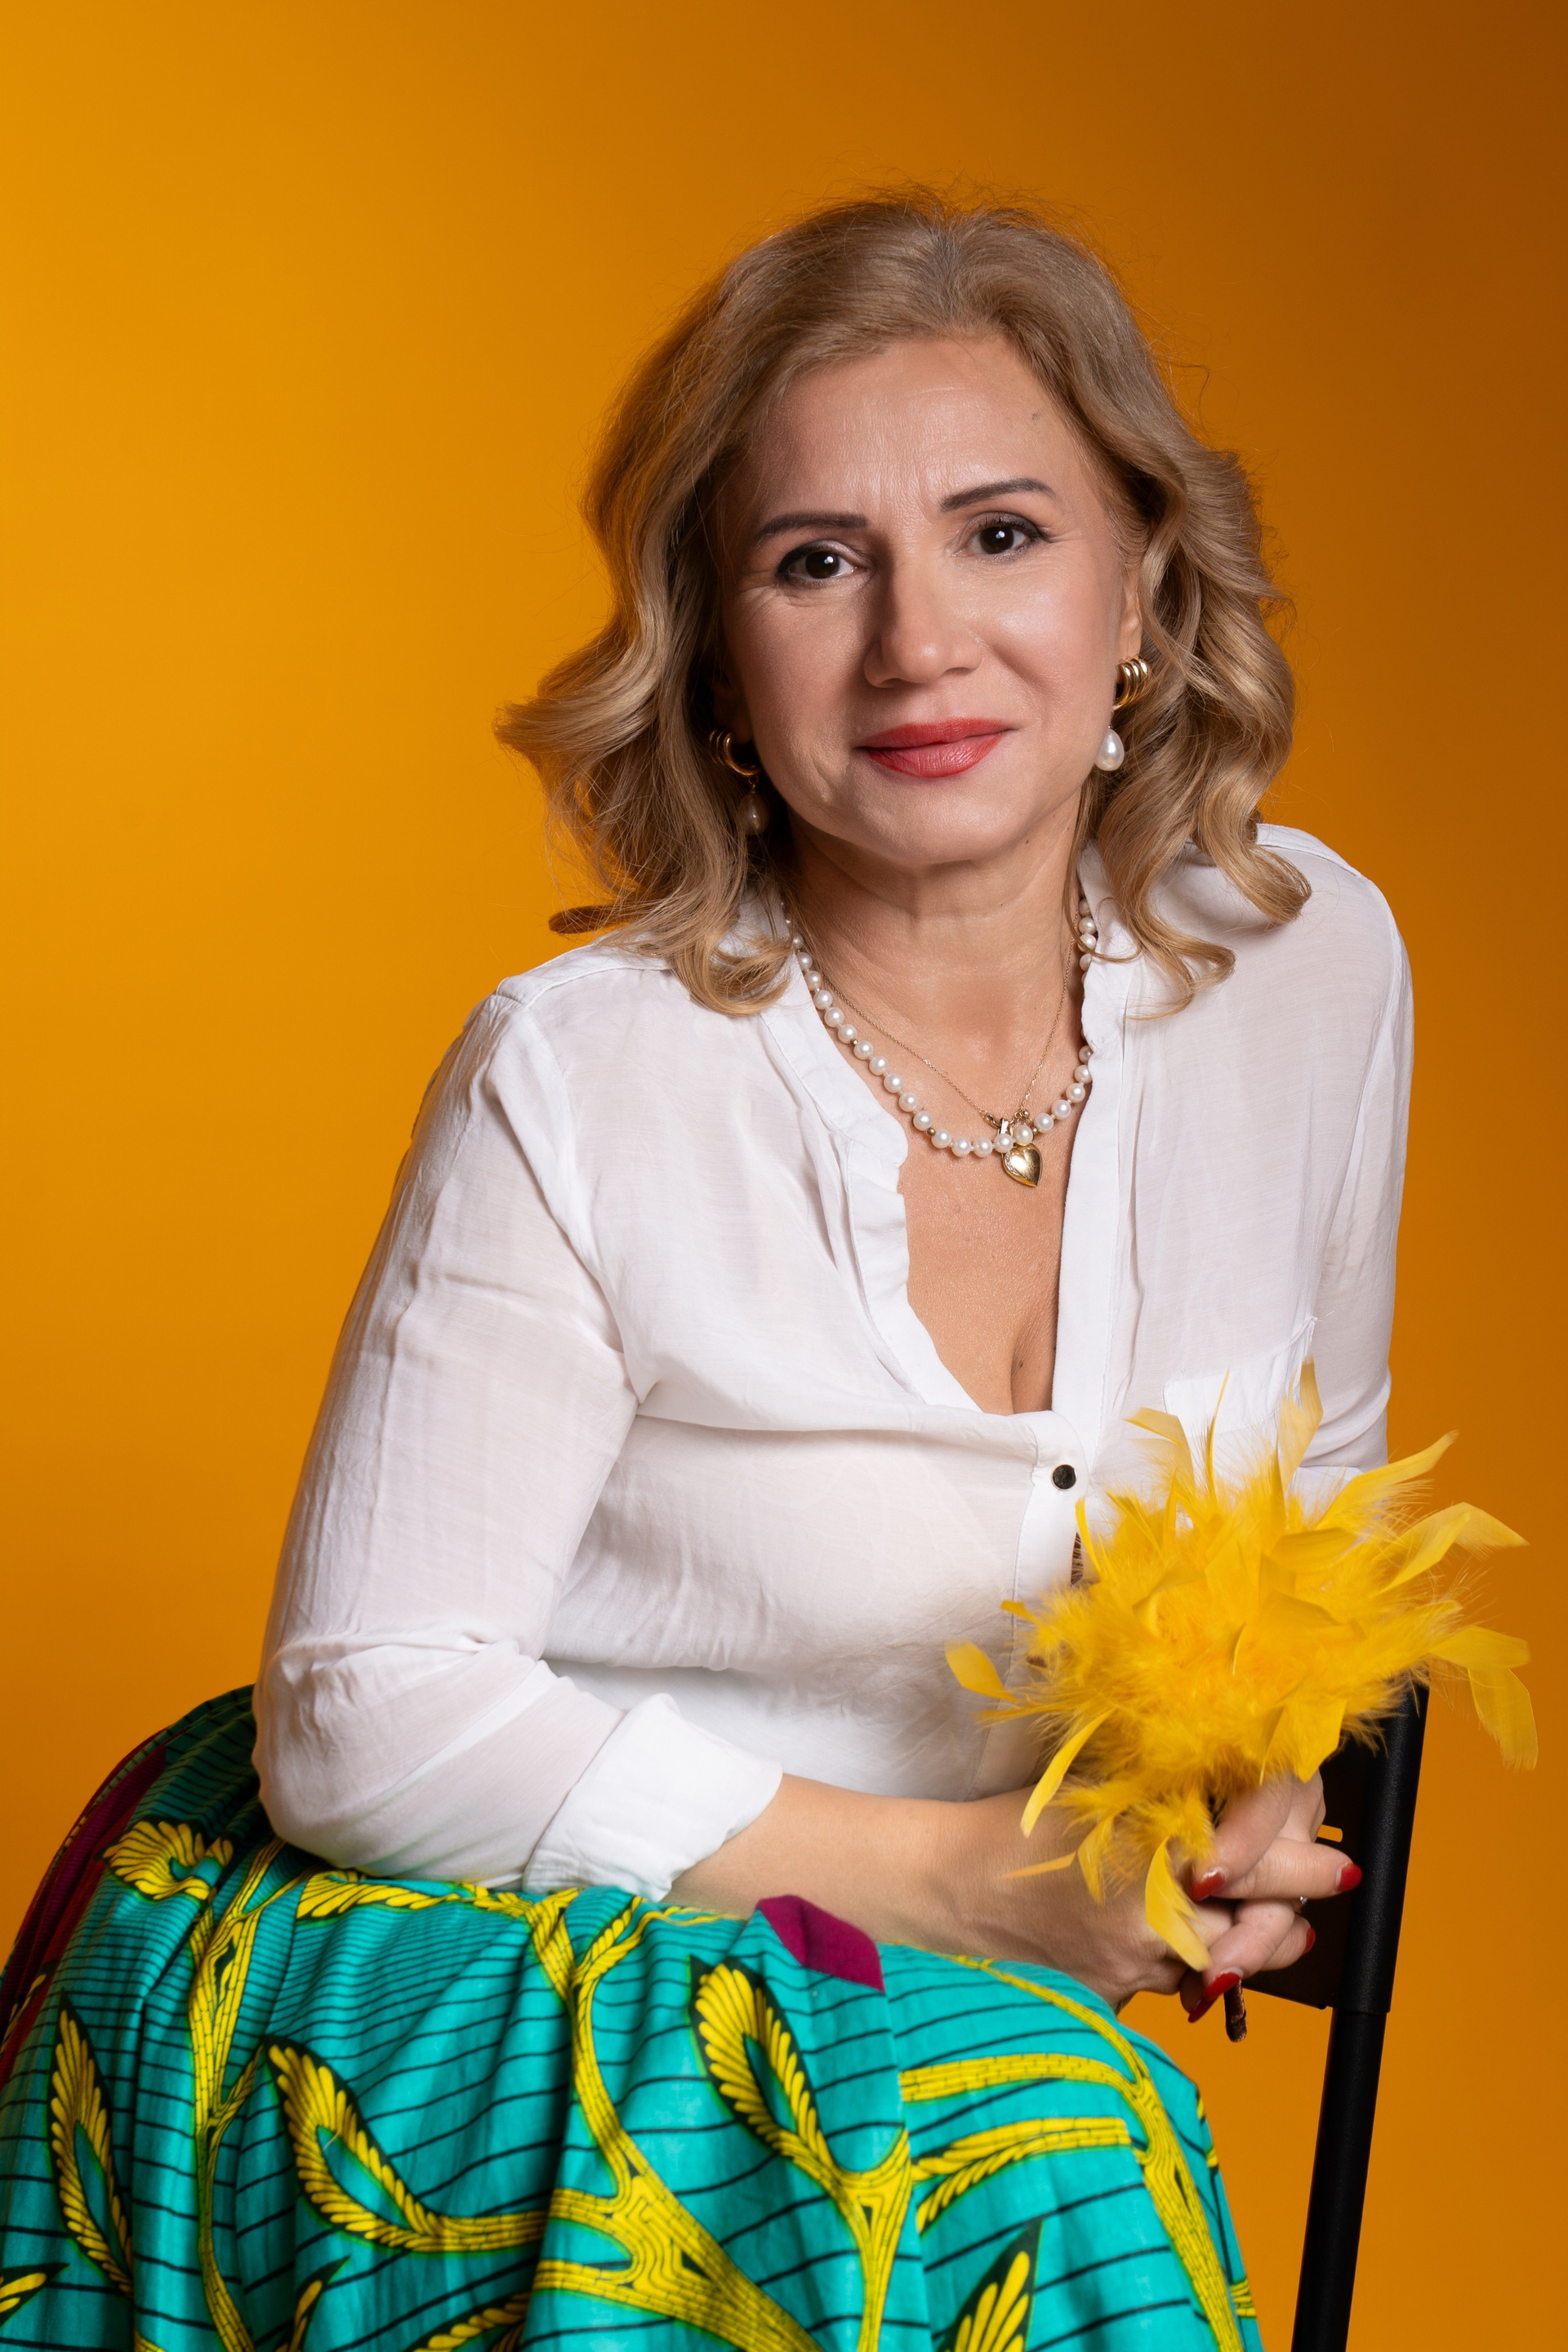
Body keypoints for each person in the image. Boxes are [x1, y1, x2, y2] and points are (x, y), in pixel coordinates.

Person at [0, 192, 1407, 2352]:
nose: (918, 643)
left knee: (1033, 2123)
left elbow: (1321, 1501)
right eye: (816, 562)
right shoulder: (583, 1072)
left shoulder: (1309, 964)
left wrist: (1251, 1782)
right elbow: (370, 1716)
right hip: (515, 1939)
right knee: (1053, 2145)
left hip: (986, 2027)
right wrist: (963, 1887)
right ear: (722, 664)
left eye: (1002, 533)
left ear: (1140, 588)